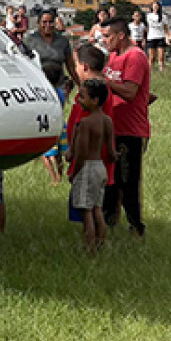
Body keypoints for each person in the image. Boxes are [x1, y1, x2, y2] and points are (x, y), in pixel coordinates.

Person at [100, 18, 151, 237]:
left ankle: (135, 226)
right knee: (111, 181)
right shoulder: (113, 57)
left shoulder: (135, 57)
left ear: (121, 35)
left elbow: (130, 92)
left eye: (108, 36)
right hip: (113, 126)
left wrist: (103, 81)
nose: (104, 41)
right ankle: (109, 222)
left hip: (130, 130)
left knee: (128, 182)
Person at [24, 9, 75, 182]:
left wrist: (79, 84)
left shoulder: (63, 41)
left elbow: (70, 66)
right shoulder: (31, 40)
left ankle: (58, 164)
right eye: (44, 22)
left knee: (57, 123)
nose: (47, 26)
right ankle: (46, 158)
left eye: (50, 22)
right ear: (38, 23)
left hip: (58, 85)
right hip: (39, 88)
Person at [66, 78, 114, 252]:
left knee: (86, 212)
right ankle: (102, 243)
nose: (79, 100)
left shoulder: (86, 124)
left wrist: (74, 172)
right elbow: (111, 151)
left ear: (94, 101)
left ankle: (90, 248)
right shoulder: (107, 121)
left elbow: (82, 153)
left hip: (86, 168)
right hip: (100, 167)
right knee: (97, 209)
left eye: (83, 97)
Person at [144, 4, 167, 70]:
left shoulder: (163, 17)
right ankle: (150, 70)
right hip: (151, 37)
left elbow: (165, 28)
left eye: (156, 7)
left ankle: (161, 69)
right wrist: (145, 37)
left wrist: (168, 37)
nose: (155, 8)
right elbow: (147, 26)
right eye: (154, 7)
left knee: (161, 56)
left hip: (160, 37)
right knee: (152, 57)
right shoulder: (149, 16)